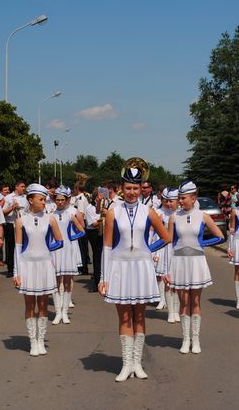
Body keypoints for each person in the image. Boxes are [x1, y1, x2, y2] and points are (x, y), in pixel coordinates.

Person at [98, 164, 170, 382]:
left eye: (135, 188)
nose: (131, 192)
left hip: (141, 267)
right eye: (128, 188)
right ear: (122, 188)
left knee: (139, 315)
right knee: (124, 316)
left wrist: (149, 250)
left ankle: (137, 363)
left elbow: (166, 238)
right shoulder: (112, 212)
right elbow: (107, 247)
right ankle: (125, 363)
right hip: (119, 267)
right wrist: (104, 278)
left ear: (141, 190)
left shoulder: (149, 212)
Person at [168, 181, 225, 355]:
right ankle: (185, 339)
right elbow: (169, 243)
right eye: (179, 198)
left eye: (183, 198)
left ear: (193, 198)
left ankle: (196, 339)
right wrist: (167, 269)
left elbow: (220, 236)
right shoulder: (173, 217)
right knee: (184, 302)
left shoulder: (203, 216)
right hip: (179, 261)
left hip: (196, 262)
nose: (180, 201)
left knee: (195, 302)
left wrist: (201, 244)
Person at [13, 183, 64, 356]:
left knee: (43, 302)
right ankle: (32, 341)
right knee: (29, 303)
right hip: (27, 265)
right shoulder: (20, 220)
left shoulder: (50, 218)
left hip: (45, 264)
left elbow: (60, 240)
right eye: (41, 199)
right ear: (31, 200)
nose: (44, 203)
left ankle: (41, 339)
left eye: (44, 199)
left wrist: (47, 251)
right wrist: (16, 272)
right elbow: (18, 248)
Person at [50, 185, 85, 325]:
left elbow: (82, 231)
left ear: (66, 200)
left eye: (62, 199)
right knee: (56, 282)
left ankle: (65, 312)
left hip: (68, 250)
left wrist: (71, 237)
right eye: (57, 199)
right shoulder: (50, 215)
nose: (59, 202)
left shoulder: (70, 215)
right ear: (54, 200)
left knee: (67, 281)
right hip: (55, 251)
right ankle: (58, 312)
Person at [154, 187, 179, 322]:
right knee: (165, 277)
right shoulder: (159, 213)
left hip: (178, 250)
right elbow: (155, 234)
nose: (168, 204)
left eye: (171, 201)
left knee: (178, 281)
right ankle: (169, 309)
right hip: (165, 248)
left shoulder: (181, 213)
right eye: (166, 201)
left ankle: (176, 310)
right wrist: (155, 251)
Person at [2, 181, 28, 278]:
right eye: (22, 186)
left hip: (23, 224)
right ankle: (10, 268)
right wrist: (12, 207)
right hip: (11, 224)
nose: (24, 188)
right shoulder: (8, 197)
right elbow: (3, 212)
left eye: (24, 186)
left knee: (22, 245)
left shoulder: (25, 198)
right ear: (16, 187)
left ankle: (22, 266)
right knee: (11, 246)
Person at [84, 191, 104, 292]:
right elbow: (93, 223)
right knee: (97, 256)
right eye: (101, 197)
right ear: (97, 198)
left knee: (103, 256)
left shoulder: (101, 206)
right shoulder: (89, 208)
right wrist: (104, 219)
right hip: (94, 233)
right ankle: (97, 282)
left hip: (102, 231)